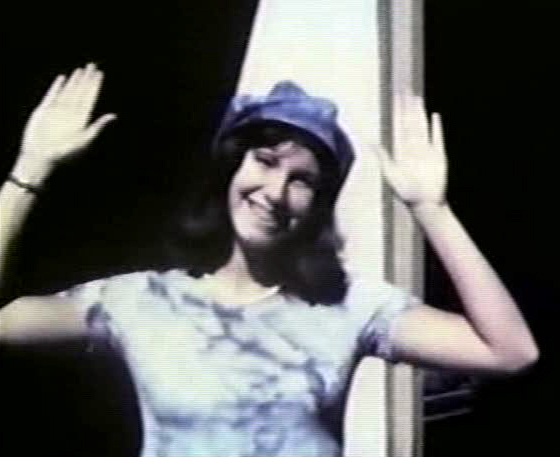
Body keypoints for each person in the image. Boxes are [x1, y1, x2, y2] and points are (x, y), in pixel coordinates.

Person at [0, 63, 538, 457]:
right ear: (232, 168)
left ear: (318, 206)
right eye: (265, 161)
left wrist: (430, 208)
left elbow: (510, 352)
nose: (276, 192)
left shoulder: (348, 304)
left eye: (303, 181)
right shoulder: (142, 300)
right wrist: (29, 170)